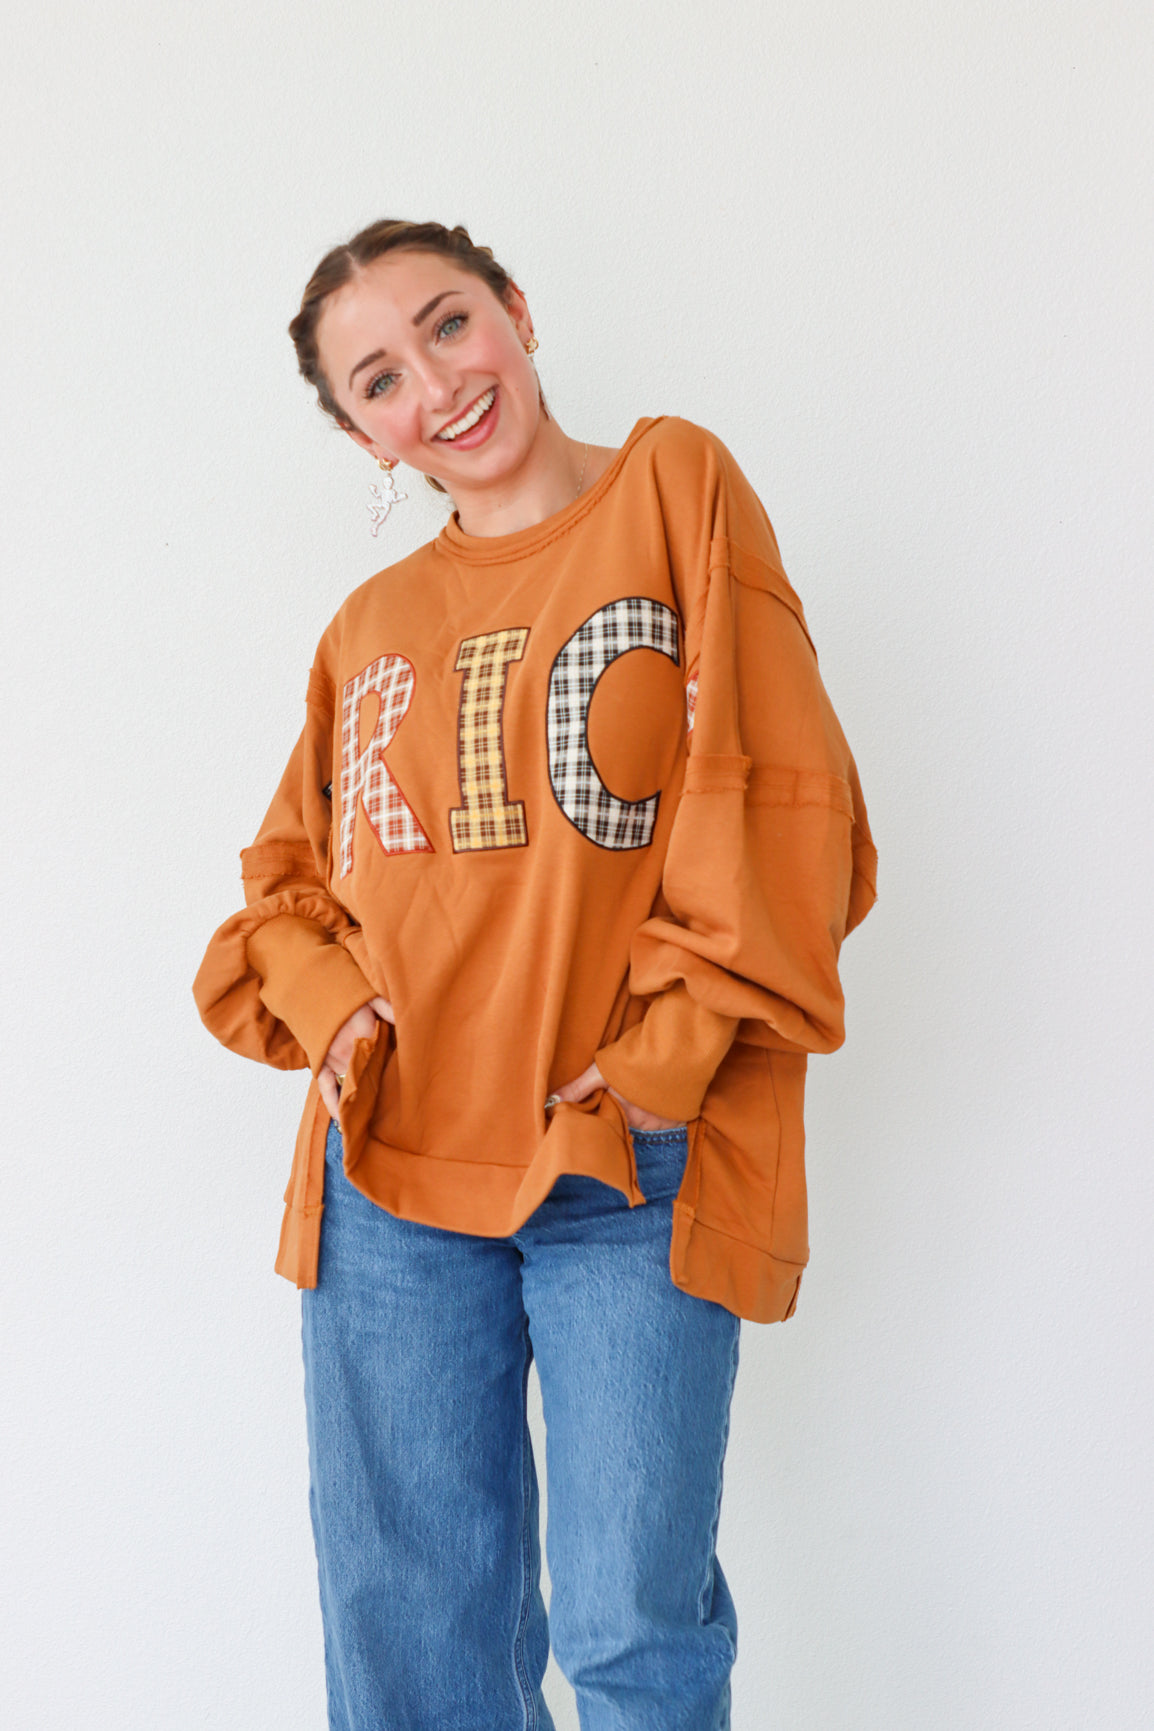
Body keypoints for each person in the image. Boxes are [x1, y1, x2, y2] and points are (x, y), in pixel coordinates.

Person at [193, 217, 878, 1731]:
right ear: (364, 436)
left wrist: (660, 1065)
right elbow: (286, 887)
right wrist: (334, 1012)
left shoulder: (673, 489)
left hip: (622, 1161)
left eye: (447, 324)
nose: (435, 384)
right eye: (379, 379)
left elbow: (785, 801)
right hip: (389, 1176)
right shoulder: (368, 626)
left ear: (514, 307)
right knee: (408, 1635)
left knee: (633, 1629)